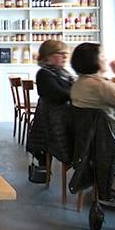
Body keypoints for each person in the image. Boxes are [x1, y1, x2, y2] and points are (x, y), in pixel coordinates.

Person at [26, 40, 74, 168]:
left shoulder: (64, 73)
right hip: (54, 123)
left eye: (66, 53)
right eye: (60, 53)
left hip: (61, 118)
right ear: (48, 56)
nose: (65, 56)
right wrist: (77, 92)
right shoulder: (44, 74)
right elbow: (60, 95)